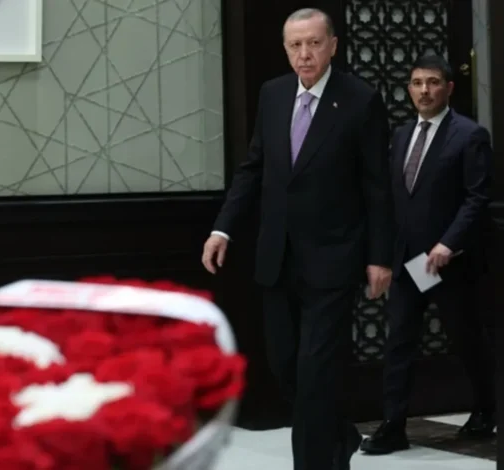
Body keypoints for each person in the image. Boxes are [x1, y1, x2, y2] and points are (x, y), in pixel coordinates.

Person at [201, 7, 393, 470]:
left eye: (313, 43)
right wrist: (223, 226)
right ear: (286, 50)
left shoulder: (360, 100)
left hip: (334, 258)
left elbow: (377, 186)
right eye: (295, 45)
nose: (304, 54)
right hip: (277, 257)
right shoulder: (273, 94)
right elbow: (254, 167)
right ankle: (340, 434)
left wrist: (380, 256)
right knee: (286, 366)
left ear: (333, 46)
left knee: (314, 372)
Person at [359, 55, 496, 455]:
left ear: (448, 88)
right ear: (409, 88)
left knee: (466, 338)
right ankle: (394, 425)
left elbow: (476, 197)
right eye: (417, 83)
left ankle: (487, 406)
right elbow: (394, 199)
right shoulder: (401, 135)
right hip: (408, 261)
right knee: (399, 341)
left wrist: (448, 243)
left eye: (433, 82)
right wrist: (382, 256)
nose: (424, 90)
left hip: (449, 261)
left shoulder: (469, 135)